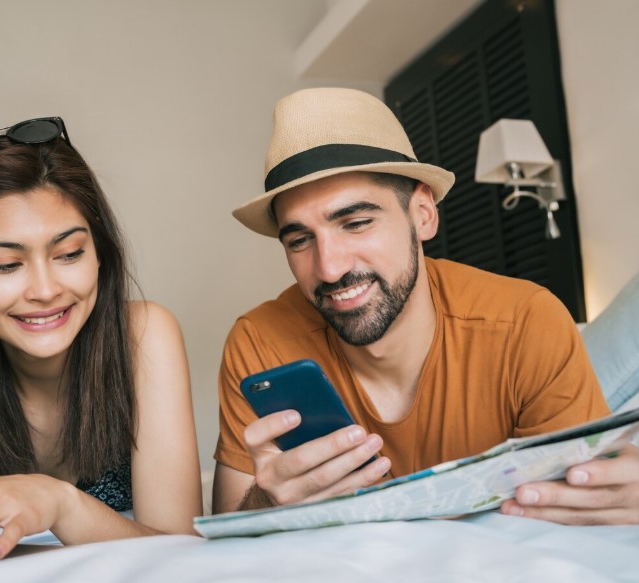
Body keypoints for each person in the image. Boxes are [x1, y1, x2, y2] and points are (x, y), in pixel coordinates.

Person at [213, 88, 639, 525]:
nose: (329, 268)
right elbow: (226, 530)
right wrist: (269, 503)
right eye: (300, 240)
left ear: (423, 214)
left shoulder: (526, 323)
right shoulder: (259, 341)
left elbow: (581, 520)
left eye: (356, 223)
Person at [0, 116, 202, 565]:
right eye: (5, 264)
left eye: (69, 254)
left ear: (98, 249)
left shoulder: (145, 335)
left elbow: (181, 553)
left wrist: (61, 504)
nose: (44, 290)